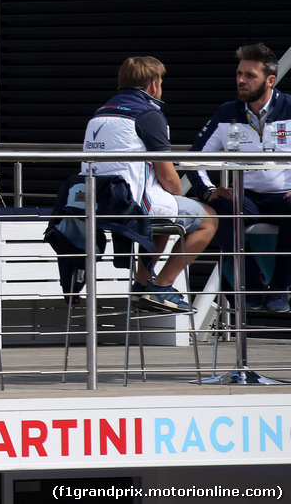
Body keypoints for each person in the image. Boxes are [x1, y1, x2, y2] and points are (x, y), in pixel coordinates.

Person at [85, 57, 217, 314]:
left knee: (170, 211)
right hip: (134, 203)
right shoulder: (149, 115)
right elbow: (168, 176)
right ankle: (162, 285)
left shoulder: (100, 114)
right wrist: (182, 200)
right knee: (209, 220)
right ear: (154, 85)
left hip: (102, 203)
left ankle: (143, 283)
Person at [187, 43, 291, 313]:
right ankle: (252, 287)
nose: (241, 81)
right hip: (245, 197)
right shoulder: (227, 113)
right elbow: (193, 159)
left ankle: (281, 289)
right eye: (239, 74)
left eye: (249, 75)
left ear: (270, 80)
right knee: (219, 209)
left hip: (285, 196)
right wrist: (209, 190)